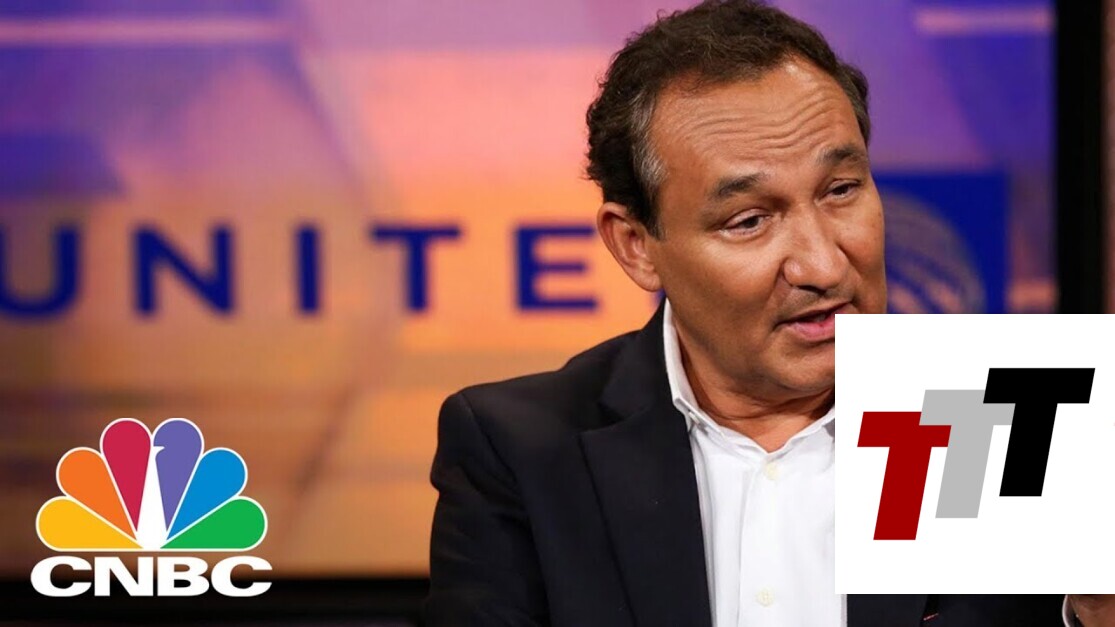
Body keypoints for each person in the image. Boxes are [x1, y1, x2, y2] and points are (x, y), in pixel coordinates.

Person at [424, 1, 1090, 625]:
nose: (823, 266)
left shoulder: (1007, 414)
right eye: (749, 220)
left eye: (841, 190)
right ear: (636, 246)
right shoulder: (521, 450)